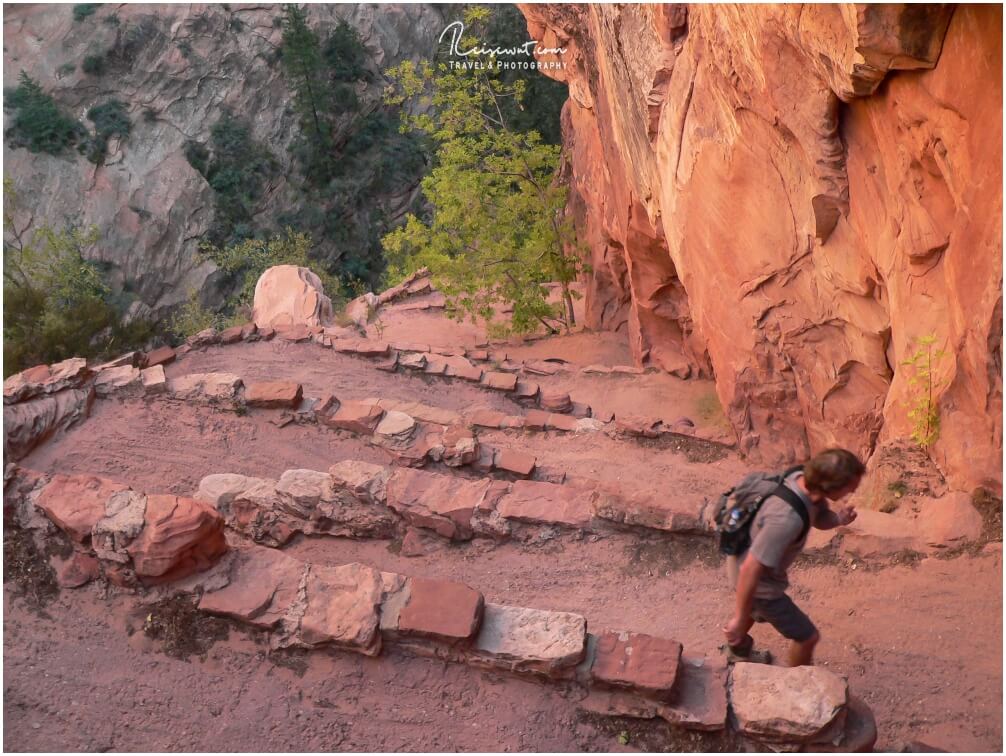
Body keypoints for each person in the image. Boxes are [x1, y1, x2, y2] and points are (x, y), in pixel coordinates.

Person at [723, 448, 865, 667]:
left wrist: (838, 519)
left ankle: (737, 651)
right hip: (758, 582)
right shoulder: (786, 520)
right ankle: (799, 685)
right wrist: (738, 618)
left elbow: (815, 516)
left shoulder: (800, 478)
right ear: (830, 486)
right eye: (851, 486)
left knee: (754, 611)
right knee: (807, 637)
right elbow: (751, 569)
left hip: (743, 557)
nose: (854, 489)